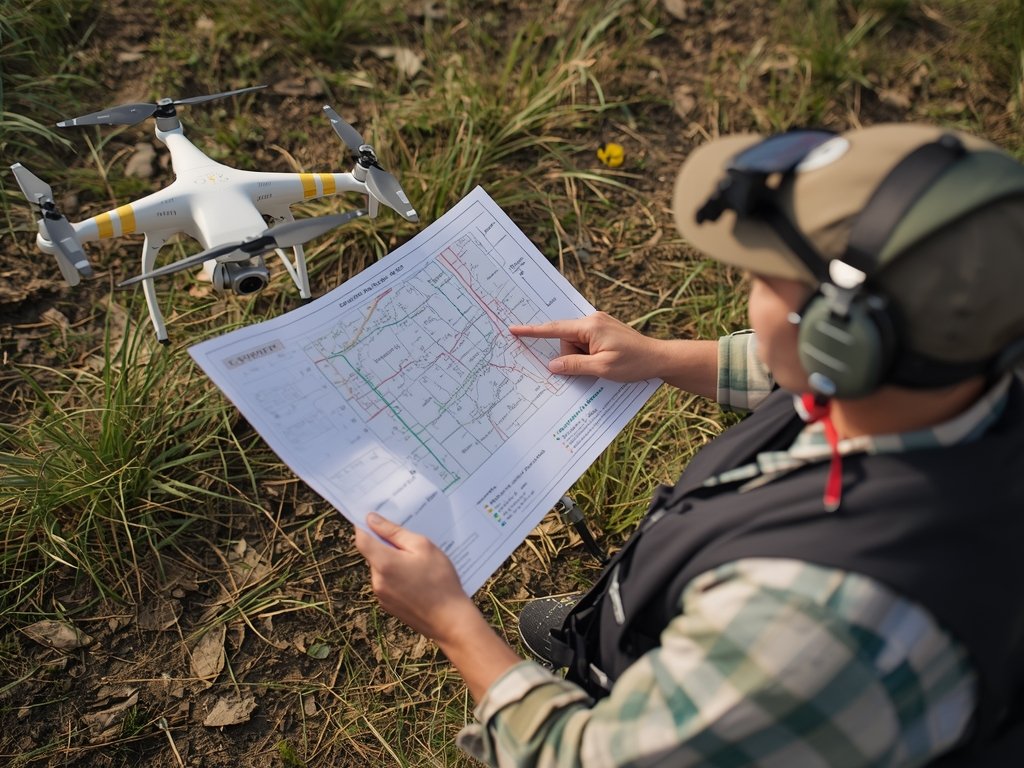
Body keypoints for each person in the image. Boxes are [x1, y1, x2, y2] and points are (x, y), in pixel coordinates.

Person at [355, 123, 1024, 766]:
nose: (745, 286)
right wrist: (661, 357)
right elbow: (793, 370)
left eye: (765, 278)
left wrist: (449, 620)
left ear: (841, 341)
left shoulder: (809, 625)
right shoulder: (968, 361)